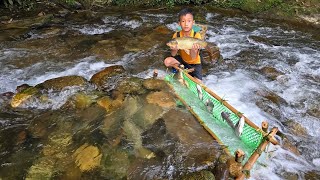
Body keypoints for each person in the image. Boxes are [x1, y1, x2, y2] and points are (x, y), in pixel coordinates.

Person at [164, 8, 203, 81]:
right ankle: (182, 69)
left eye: (189, 21)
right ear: (179, 23)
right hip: (182, 60)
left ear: (193, 22)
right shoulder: (177, 35)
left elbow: (193, 57)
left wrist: (194, 50)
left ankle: (185, 71)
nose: (186, 24)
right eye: (183, 21)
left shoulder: (196, 35)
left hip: (195, 63)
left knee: (199, 83)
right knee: (167, 61)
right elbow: (173, 54)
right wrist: (174, 50)